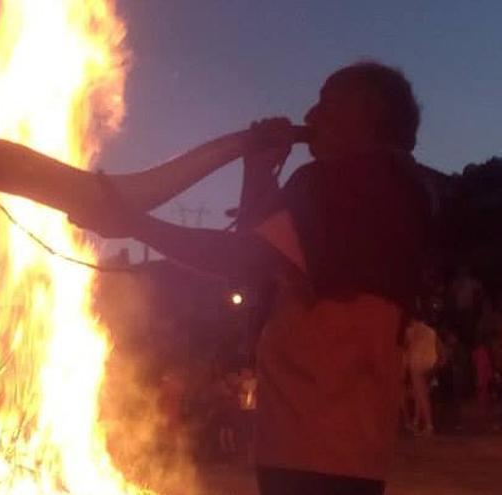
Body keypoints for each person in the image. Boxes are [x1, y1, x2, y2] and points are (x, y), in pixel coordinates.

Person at [73, 61, 431, 495]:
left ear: (367, 111)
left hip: (312, 435)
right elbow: (268, 254)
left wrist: (135, 224)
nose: (312, 116)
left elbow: (243, 258)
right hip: (353, 443)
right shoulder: (399, 189)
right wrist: (258, 168)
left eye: (326, 102)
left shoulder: (343, 181)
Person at [404, 318, 439, 436]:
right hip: (429, 363)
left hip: (416, 364)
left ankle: (428, 425)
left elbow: (407, 349)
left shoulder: (410, 332)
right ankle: (417, 422)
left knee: (421, 395)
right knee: (420, 394)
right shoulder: (430, 331)